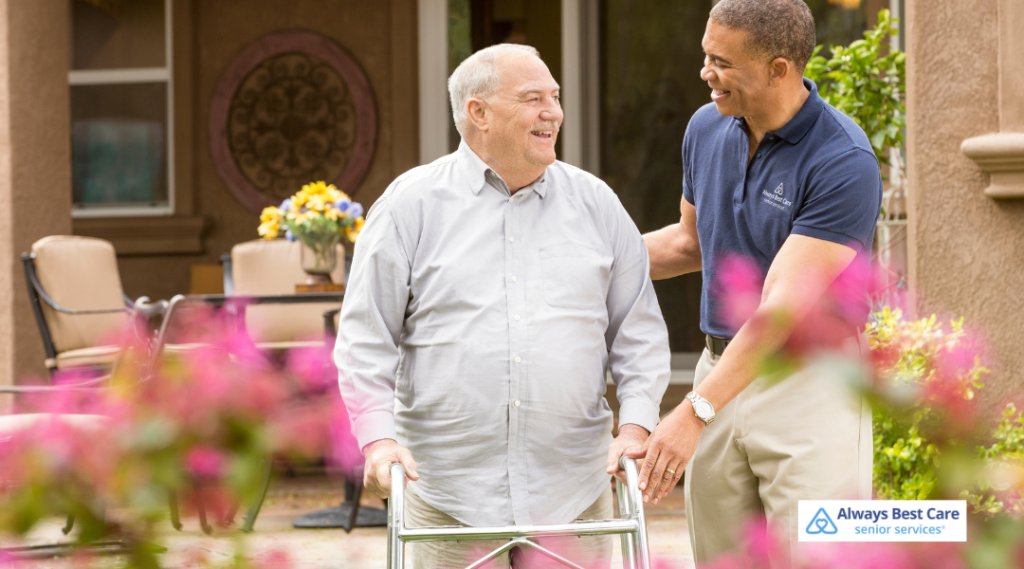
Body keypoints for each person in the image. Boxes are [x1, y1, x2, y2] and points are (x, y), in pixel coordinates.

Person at [335, 43, 670, 569]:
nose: (553, 112)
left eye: (555, 97)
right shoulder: (409, 206)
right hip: (446, 495)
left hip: (575, 496)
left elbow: (639, 334)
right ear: (479, 113)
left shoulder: (598, 204)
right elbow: (364, 340)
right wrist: (378, 442)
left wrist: (636, 428)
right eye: (533, 98)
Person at [635, 0, 883, 566]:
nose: (705, 72)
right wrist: (580, 262)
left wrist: (693, 410)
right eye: (706, 55)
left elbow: (781, 310)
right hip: (720, 366)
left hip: (810, 384)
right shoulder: (707, 127)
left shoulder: (843, 160)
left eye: (721, 61)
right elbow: (688, 243)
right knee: (722, 558)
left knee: (816, 557)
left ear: (778, 68)